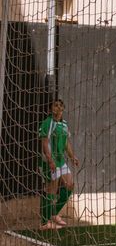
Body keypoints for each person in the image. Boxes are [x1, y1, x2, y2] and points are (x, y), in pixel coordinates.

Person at [38, 99, 79, 231]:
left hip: (61, 161)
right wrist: (50, 160)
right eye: (55, 105)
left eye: (60, 105)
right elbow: (44, 143)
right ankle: (44, 223)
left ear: (63, 109)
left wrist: (73, 157)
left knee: (70, 185)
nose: (58, 107)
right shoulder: (47, 123)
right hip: (49, 161)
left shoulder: (64, 124)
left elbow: (66, 143)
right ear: (51, 108)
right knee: (51, 189)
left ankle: (54, 213)